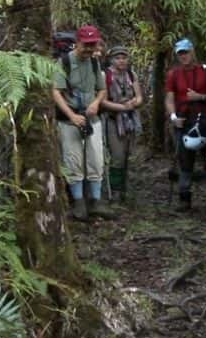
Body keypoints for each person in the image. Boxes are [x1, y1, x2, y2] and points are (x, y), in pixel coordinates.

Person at [53, 25, 115, 221]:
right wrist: (71, 115)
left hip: (92, 119)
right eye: (85, 45)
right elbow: (56, 91)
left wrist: (96, 103)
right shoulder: (63, 63)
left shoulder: (95, 64)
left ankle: (96, 201)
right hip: (69, 121)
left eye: (92, 45)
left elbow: (102, 89)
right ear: (77, 43)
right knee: (73, 161)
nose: (89, 49)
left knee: (96, 159)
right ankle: (78, 203)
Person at [165, 38, 206, 211]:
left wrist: (200, 97)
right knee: (184, 161)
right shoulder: (173, 74)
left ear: (193, 52)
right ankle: (185, 199)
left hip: (205, 120)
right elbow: (169, 98)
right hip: (183, 120)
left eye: (186, 52)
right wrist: (174, 117)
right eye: (180, 53)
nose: (184, 56)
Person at [101, 46, 143, 203]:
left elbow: (139, 97)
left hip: (130, 120)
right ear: (112, 59)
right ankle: (115, 191)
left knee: (126, 156)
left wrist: (133, 103)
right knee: (117, 157)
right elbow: (103, 101)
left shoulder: (131, 75)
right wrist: (122, 107)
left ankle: (123, 189)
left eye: (124, 57)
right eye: (118, 58)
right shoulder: (106, 75)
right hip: (113, 120)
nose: (121, 61)